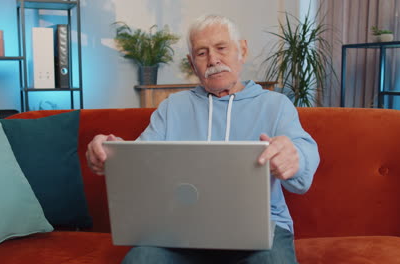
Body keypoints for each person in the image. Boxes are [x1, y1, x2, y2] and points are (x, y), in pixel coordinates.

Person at [86, 14, 320, 264]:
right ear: (191, 63)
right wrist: (111, 154)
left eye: (221, 48)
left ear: (242, 49)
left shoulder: (275, 105)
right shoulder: (172, 107)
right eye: (201, 53)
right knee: (141, 259)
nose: (213, 60)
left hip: (261, 230)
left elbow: (304, 161)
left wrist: (294, 158)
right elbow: (141, 163)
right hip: (180, 230)